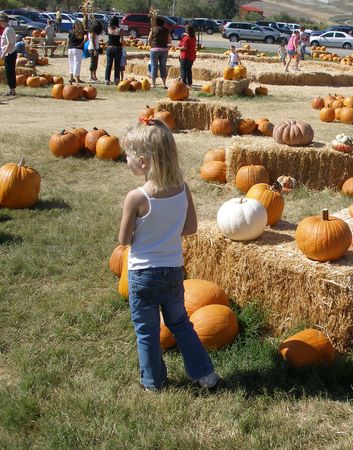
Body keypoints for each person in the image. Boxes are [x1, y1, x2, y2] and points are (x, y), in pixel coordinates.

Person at [119, 119, 219, 392]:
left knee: (147, 331)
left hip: (142, 275)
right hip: (173, 271)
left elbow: (124, 240)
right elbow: (191, 228)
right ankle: (206, 375)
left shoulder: (136, 198)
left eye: (127, 155)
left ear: (142, 161)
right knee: (181, 324)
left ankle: (153, 382)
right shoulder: (182, 188)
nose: (126, 160)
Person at [148, 16, 171, 88]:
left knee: (154, 66)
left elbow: (149, 40)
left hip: (154, 49)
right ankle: (164, 84)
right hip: (164, 50)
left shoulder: (153, 29)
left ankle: (153, 84)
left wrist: (151, 44)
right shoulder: (167, 30)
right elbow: (169, 41)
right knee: (163, 66)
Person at [0, 13, 17, 96]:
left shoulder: (8, 30)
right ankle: (12, 89)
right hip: (10, 53)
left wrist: (3, 54)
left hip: (9, 53)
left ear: (2, 21)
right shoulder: (8, 29)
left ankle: (12, 90)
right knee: (10, 72)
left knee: (9, 72)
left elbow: (10, 44)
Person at [105, 16, 124, 85]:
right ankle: (116, 80)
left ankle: (107, 79)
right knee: (117, 65)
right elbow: (121, 40)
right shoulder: (119, 30)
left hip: (109, 47)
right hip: (117, 48)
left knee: (108, 64)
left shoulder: (109, 29)